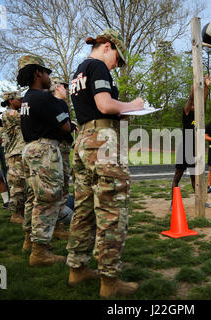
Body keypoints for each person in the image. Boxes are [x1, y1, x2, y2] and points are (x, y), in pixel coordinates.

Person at [66, 29, 143, 298]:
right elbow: (105, 104)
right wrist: (133, 105)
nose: (116, 65)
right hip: (101, 141)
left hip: (83, 139)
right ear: (108, 47)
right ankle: (109, 281)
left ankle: (76, 268)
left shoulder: (78, 71)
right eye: (117, 60)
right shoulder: (98, 66)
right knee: (112, 209)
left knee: (84, 208)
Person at [17, 55, 71, 266]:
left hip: (30, 149)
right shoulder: (44, 98)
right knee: (48, 199)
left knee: (35, 197)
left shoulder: (27, 99)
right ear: (38, 73)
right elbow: (65, 126)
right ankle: (40, 252)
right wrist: (62, 101)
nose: (49, 76)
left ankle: (30, 241)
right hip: (44, 150)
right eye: (47, 72)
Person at [171, 75, 210, 206]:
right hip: (185, 147)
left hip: (195, 149)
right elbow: (191, 99)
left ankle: (200, 201)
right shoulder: (186, 112)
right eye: (193, 105)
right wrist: (194, 87)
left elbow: (203, 102)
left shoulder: (198, 115)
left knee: (195, 178)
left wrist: (206, 87)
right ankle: (173, 203)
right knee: (177, 177)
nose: (194, 106)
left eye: (195, 105)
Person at [49, 76, 77, 240]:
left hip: (64, 148)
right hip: (56, 149)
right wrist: (69, 126)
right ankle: (57, 223)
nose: (67, 90)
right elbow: (60, 127)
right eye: (64, 87)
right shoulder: (54, 104)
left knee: (64, 184)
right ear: (57, 88)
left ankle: (59, 223)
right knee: (58, 185)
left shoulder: (62, 105)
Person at [1, 91, 26, 224]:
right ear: (11, 101)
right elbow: (27, 117)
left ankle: (21, 212)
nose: (21, 101)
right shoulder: (9, 113)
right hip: (15, 154)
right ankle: (15, 214)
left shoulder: (16, 112)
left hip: (21, 152)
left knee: (24, 184)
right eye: (19, 99)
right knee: (17, 185)